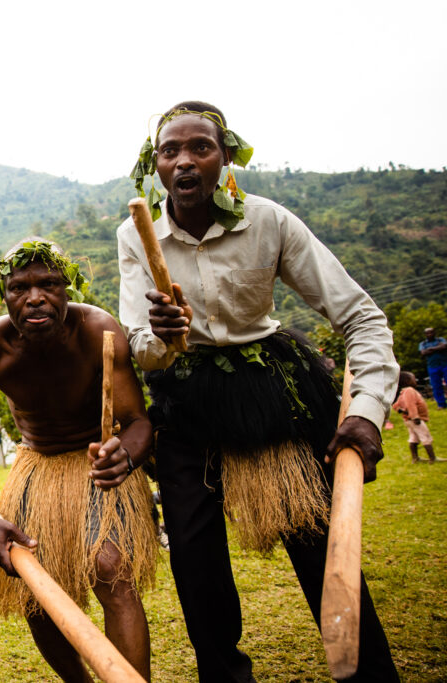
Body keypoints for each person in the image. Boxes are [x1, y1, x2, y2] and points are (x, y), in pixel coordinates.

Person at [118, 100, 400, 681]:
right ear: (157, 165)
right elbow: (138, 344)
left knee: (322, 548)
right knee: (195, 565)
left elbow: (361, 318)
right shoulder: (135, 232)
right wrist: (164, 339)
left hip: (274, 398)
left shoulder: (269, 220)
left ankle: (368, 672)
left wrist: (367, 412)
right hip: (186, 402)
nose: (186, 160)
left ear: (225, 160)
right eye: (171, 150)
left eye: (202, 147)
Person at [0, 238, 157, 682]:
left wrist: (126, 458)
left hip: (98, 465)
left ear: (68, 288)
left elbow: (137, 421)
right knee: (37, 591)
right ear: (3, 294)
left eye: (49, 284)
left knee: (111, 571)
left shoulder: (99, 330)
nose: (35, 297)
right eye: (19, 287)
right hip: (36, 463)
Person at [393, 371, 437, 463]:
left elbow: (395, 405)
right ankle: (432, 458)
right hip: (415, 419)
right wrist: (415, 417)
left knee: (414, 438)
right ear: (408, 381)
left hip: (409, 420)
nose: (415, 380)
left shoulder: (403, 392)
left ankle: (415, 458)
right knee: (426, 437)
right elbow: (411, 405)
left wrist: (401, 410)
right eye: (414, 378)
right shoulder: (410, 391)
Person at [419, 327, 447, 409]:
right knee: (436, 386)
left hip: (444, 364)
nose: (429, 334)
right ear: (425, 335)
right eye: (427, 333)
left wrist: (431, 349)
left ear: (434, 333)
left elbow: (444, 346)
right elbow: (423, 352)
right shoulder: (423, 344)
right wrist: (437, 348)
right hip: (432, 366)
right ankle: (441, 404)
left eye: (431, 332)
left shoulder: (440, 340)